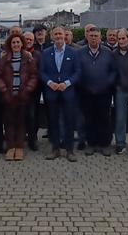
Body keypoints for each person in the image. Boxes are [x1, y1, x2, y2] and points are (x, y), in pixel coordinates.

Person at [0, 34, 39, 161]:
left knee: (21, 123)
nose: (16, 45)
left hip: (23, 96)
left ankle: (19, 147)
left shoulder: (28, 59)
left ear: (22, 43)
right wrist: (4, 90)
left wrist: (28, 89)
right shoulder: (3, 59)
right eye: (13, 42)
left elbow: (34, 76)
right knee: (9, 122)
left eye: (18, 42)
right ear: (10, 44)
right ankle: (10, 147)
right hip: (8, 96)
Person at [39, 27, 81, 161]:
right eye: (55, 34)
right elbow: (42, 72)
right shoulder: (45, 53)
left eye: (60, 34)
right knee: (53, 121)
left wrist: (67, 83)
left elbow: (78, 72)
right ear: (51, 37)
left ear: (65, 36)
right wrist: (50, 82)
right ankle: (55, 148)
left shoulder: (74, 53)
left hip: (68, 92)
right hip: (52, 92)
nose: (58, 36)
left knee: (69, 121)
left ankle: (69, 150)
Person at [77, 26, 116, 156]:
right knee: (89, 119)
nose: (93, 38)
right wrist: (84, 85)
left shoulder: (108, 53)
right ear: (87, 37)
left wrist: (106, 84)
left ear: (100, 38)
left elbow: (113, 71)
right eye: (91, 36)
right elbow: (77, 72)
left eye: (96, 36)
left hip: (104, 92)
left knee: (104, 118)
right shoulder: (80, 53)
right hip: (86, 93)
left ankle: (104, 144)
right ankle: (91, 144)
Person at [23, 31, 42, 150]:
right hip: (18, 91)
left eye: (30, 39)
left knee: (32, 116)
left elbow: (40, 72)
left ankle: (32, 139)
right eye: (26, 39)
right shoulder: (16, 53)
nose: (28, 41)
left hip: (33, 91)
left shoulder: (38, 55)